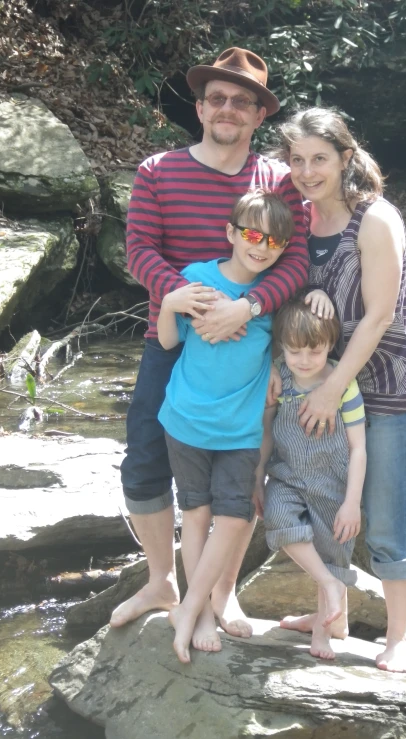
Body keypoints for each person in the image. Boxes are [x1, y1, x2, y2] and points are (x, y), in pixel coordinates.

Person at [111, 48, 308, 633]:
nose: (228, 109)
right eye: (217, 98)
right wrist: (196, 304)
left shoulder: (278, 182)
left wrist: (246, 306)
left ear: (257, 116)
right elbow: (140, 251)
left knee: (241, 476)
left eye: (241, 102)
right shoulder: (157, 171)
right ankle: (161, 581)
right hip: (170, 341)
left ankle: (223, 594)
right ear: (199, 108)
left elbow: (295, 261)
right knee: (145, 463)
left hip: (250, 346)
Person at [272, 108, 406, 673]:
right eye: (297, 160)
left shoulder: (376, 219)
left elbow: (380, 314)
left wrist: (331, 388)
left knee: (385, 512)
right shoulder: (297, 217)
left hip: (380, 389)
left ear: (344, 157)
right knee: (319, 501)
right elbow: (287, 297)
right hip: (316, 387)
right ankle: (330, 617)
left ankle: (398, 635)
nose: (308, 171)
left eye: (320, 158)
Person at [157, 189, 295, 663]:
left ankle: (197, 604)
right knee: (196, 514)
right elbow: (168, 340)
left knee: (236, 515)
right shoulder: (196, 278)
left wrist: (275, 364)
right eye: (253, 235)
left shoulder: (270, 295)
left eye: (273, 241)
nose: (261, 247)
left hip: (239, 428)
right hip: (187, 420)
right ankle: (199, 613)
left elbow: (273, 344)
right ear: (232, 234)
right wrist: (169, 302)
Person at [254, 292, 366, 660]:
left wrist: (352, 503)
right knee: (278, 518)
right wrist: (258, 476)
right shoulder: (279, 378)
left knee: (332, 550)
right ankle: (329, 586)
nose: (303, 361)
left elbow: (358, 448)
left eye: (314, 352)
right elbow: (267, 431)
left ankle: (326, 628)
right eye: (294, 351)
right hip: (286, 475)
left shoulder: (342, 383)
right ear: (282, 347)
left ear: (330, 345)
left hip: (332, 482)